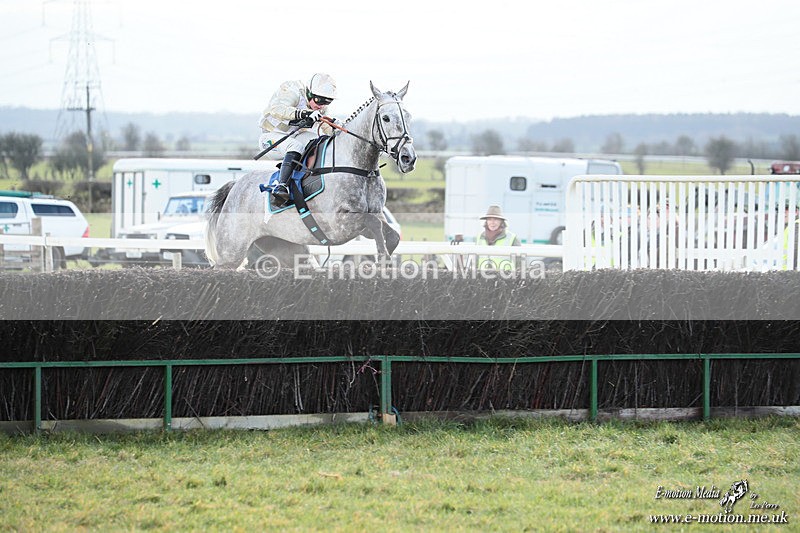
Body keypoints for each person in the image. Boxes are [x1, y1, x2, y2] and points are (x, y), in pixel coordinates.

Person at [258, 73, 337, 204]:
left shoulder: (321, 108)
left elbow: (327, 130)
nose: (322, 106)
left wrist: (336, 129)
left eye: (327, 102)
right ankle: (281, 186)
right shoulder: (293, 90)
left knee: (319, 140)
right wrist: (303, 113)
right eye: (319, 100)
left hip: (295, 137)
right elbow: (276, 109)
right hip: (271, 138)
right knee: (295, 146)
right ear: (310, 93)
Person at [476, 204, 521, 270]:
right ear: (486, 221)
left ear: (501, 222)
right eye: (489, 219)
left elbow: (519, 264)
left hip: (505, 278)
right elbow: (475, 260)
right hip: (482, 277)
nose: (492, 222)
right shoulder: (479, 237)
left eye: (495, 219)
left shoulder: (512, 238)